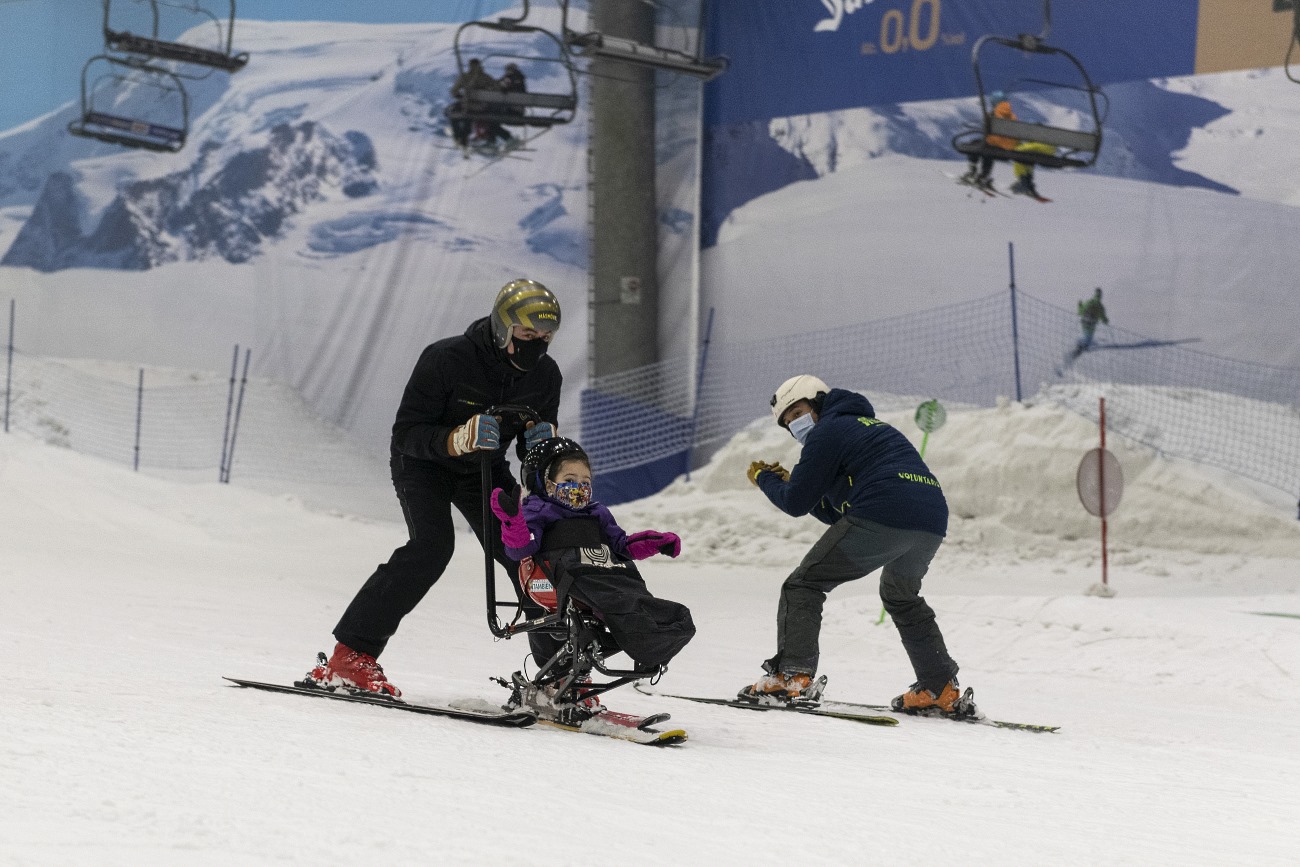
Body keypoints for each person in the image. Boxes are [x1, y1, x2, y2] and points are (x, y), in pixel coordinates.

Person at [306, 279, 565, 697]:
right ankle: (350, 656)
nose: (537, 345)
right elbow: (407, 432)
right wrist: (455, 439)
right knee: (431, 547)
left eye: (545, 337)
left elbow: (531, 450)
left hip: (483, 469)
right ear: (502, 327)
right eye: (526, 334)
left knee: (527, 556)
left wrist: (544, 452)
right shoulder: (447, 358)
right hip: (423, 465)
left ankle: (559, 673)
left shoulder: (545, 374)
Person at [740, 375, 970, 717]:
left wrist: (767, 479)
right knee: (901, 597)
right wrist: (794, 483)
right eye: (787, 423)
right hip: (930, 519)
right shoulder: (870, 428)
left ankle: (790, 677)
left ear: (818, 402)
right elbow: (840, 514)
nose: (795, 424)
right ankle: (940, 689)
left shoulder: (827, 432)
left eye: (797, 412)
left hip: (884, 510)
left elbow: (794, 504)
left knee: (803, 584)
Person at [489, 436, 694, 708]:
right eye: (570, 479)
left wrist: (655, 542)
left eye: (585, 482)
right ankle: (562, 681)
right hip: (548, 578)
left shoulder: (597, 513)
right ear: (546, 483)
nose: (579, 487)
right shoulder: (539, 510)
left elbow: (620, 545)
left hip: (595, 576)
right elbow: (521, 548)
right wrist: (512, 520)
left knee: (644, 612)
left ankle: (587, 670)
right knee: (612, 606)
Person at [959, 91, 1052, 199]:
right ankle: (983, 176)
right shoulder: (1012, 115)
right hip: (1010, 147)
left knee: (976, 145)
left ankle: (973, 172)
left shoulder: (995, 113)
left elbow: (989, 132)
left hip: (998, 145)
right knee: (987, 149)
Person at [448, 58, 498, 149]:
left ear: (470, 66)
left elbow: (453, 91)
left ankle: (459, 137)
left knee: (453, 113)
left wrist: (461, 97)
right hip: (482, 108)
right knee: (474, 117)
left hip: (467, 107)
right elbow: (497, 89)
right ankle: (490, 139)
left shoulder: (465, 77)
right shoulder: (486, 77)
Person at [1077, 286, 1109, 352]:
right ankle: (1084, 346)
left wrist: (1079, 306)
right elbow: (1102, 317)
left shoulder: (1089, 302)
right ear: (1100, 296)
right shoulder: (1100, 306)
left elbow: (1080, 312)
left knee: (1085, 333)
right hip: (1092, 323)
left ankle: (1082, 344)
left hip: (1084, 321)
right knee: (1089, 335)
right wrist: (1106, 321)